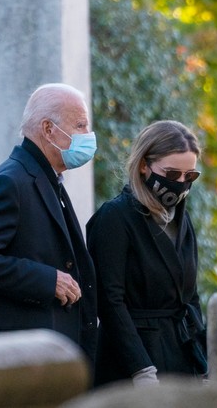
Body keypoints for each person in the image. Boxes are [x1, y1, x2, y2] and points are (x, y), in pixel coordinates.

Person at [0, 83, 99, 361]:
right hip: (12, 356)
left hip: (40, 352)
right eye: (80, 125)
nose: (88, 135)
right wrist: (47, 279)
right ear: (48, 129)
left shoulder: (45, 178)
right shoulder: (10, 182)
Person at [86, 120, 208, 386]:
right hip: (131, 362)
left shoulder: (181, 220)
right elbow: (109, 300)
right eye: (172, 174)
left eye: (190, 176)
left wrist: (206, 361)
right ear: (144, 165)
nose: (181, 184)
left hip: (180, 356)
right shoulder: (114, 218)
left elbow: (191, 297)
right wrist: (141, 368)